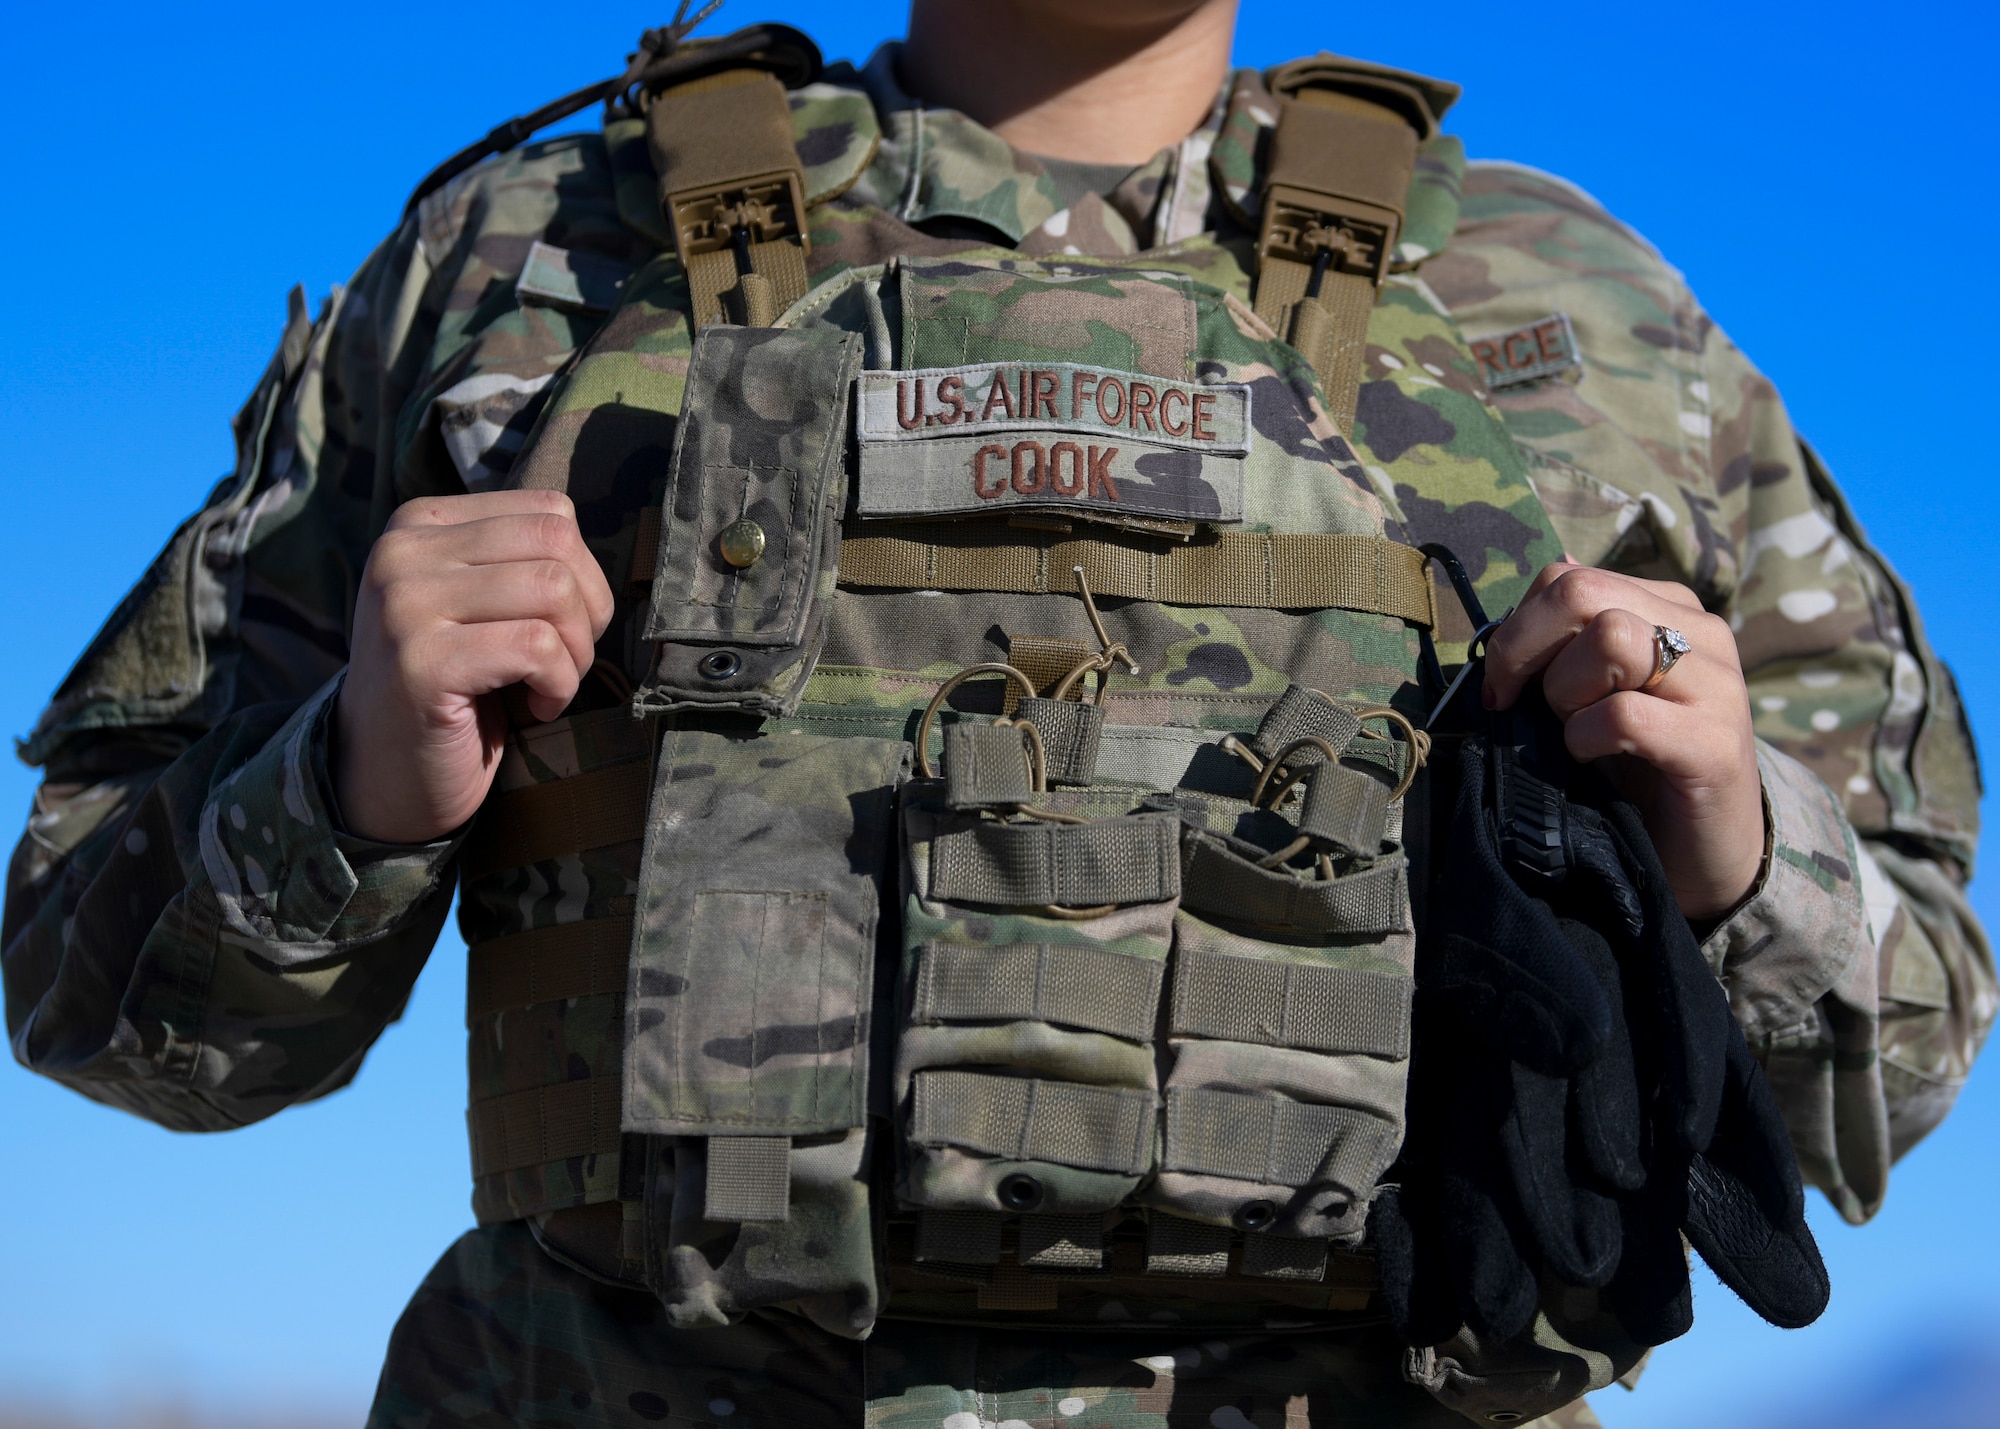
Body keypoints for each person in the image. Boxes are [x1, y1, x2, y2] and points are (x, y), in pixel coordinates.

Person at [5, 1, 1991, 1424]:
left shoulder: (1586, 325)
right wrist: (355, 782)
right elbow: (95, 1002)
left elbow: (1891, 1073)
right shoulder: (534, 261)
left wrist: (1734, 838)